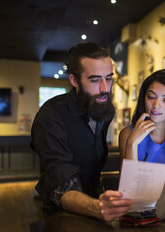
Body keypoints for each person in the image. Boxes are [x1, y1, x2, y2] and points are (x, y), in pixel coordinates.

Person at [31, 42, 132, 221]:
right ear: (74, 81)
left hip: (95, 205)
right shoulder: (50, 117)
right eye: (95, 80)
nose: (104, 88)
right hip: (62, 216)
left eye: (108, 78)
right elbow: (62, 186)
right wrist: (98, 207)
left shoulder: (102, 110)